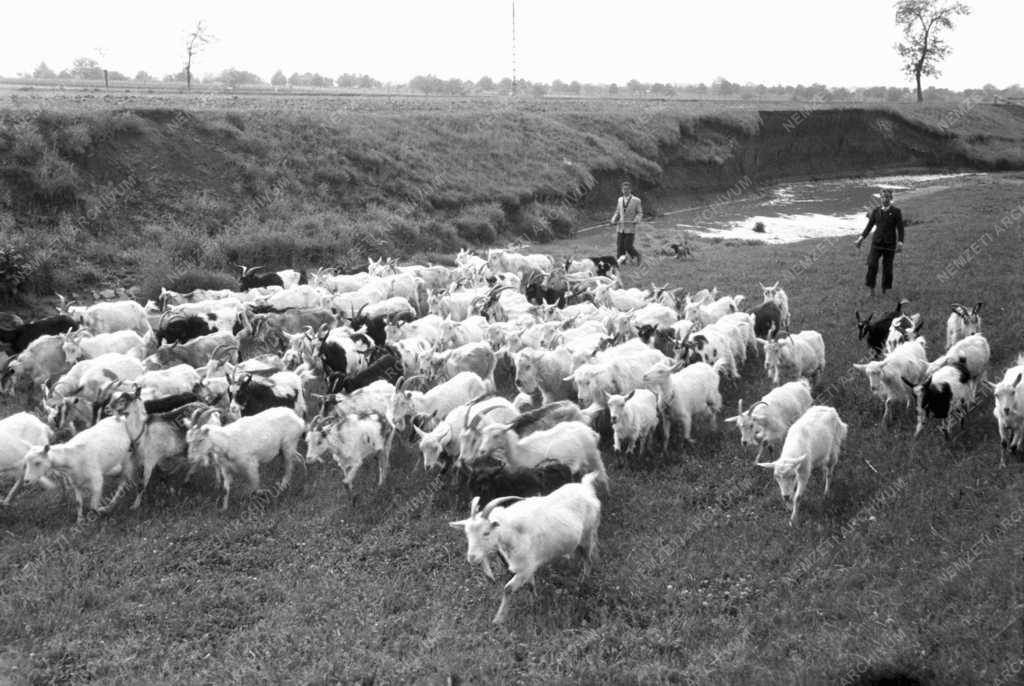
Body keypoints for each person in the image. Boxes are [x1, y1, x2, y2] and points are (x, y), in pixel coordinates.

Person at [855, 188, 905, 297]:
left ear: (891, 198)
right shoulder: (876, 211)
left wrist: (900, 242)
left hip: (890, 244)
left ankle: (885, 290)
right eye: (882, 197)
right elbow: (869, 226)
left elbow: (900, 229)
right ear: (880, 198)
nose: (885, 199)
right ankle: (871, 290)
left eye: (887, 197)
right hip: (876, 243)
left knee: (887, 268)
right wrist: (860, 239)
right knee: (872, 264)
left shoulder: (896, 212)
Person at [610, 180, 643, 265]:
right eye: (624, 189)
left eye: (627, 189)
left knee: (627, 246)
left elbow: (640, 213)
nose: (625, 191)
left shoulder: (637, 200)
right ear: (622, 190)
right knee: (620, 246)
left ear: (630, 190)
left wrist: (637, 219)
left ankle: (637, 256)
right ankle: (621, 262)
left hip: (630, 227)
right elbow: (617, 212)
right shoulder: (619, 200)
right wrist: (613, 219)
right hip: (620, 227)